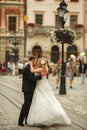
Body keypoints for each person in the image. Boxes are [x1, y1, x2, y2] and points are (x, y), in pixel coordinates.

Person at [27, 58, 71, 126]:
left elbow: (32, 70)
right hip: (42, 85)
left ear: (41, 63)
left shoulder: (42, 69)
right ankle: (42, 117)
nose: (37, 62)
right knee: (44, 99)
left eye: (38, 61)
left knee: (41, 100)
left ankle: (44, 117)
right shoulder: (45, 68)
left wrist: (30, 64)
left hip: (41, 86)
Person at [18, 56, 43, 126]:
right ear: (32, 61)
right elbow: (31, 78)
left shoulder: (29, 67)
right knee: (26, 105)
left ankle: (27, 120)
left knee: (29, 105)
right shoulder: (27, 68)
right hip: (28, 89)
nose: (36, 62)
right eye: (35, 61)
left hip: (30, 89)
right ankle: (20, 121)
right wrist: (40, 76)